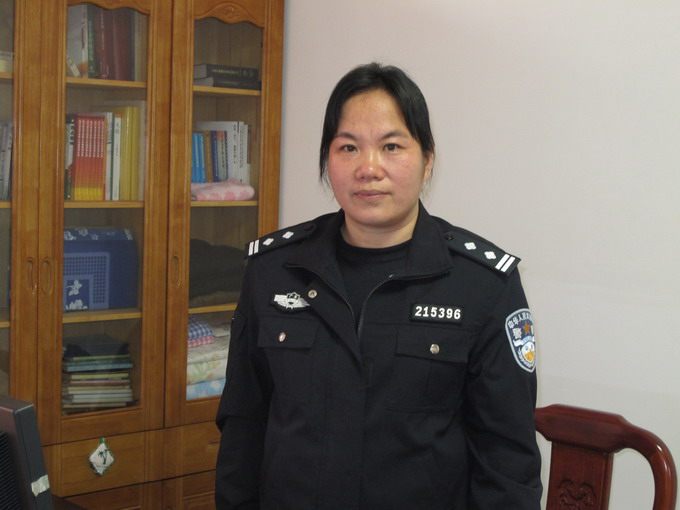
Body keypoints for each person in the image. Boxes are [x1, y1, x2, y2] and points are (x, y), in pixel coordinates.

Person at [215, 62, 542, 509]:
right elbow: (243, 427)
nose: (368, 168)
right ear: (327, 161)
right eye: (348, 147)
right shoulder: (273, 270)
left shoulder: (482, 284)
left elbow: (507, 461)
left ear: (427, 160)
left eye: (391, 146)